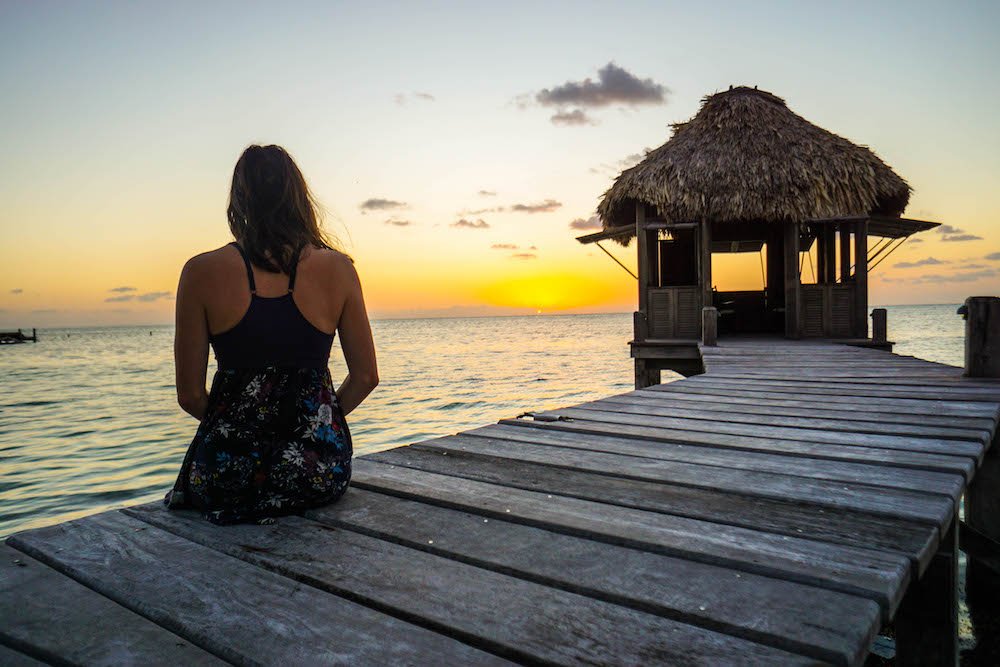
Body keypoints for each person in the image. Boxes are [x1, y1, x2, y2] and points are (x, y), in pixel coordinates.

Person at [165, 145, 378, 524]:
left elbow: (190, 396)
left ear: (239, 199)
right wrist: (318, 423)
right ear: (298, 196)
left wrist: (241, 431)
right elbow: (366, 377)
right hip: (315, 473)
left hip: (228, 475)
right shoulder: (339, 268)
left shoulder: (200, 271)